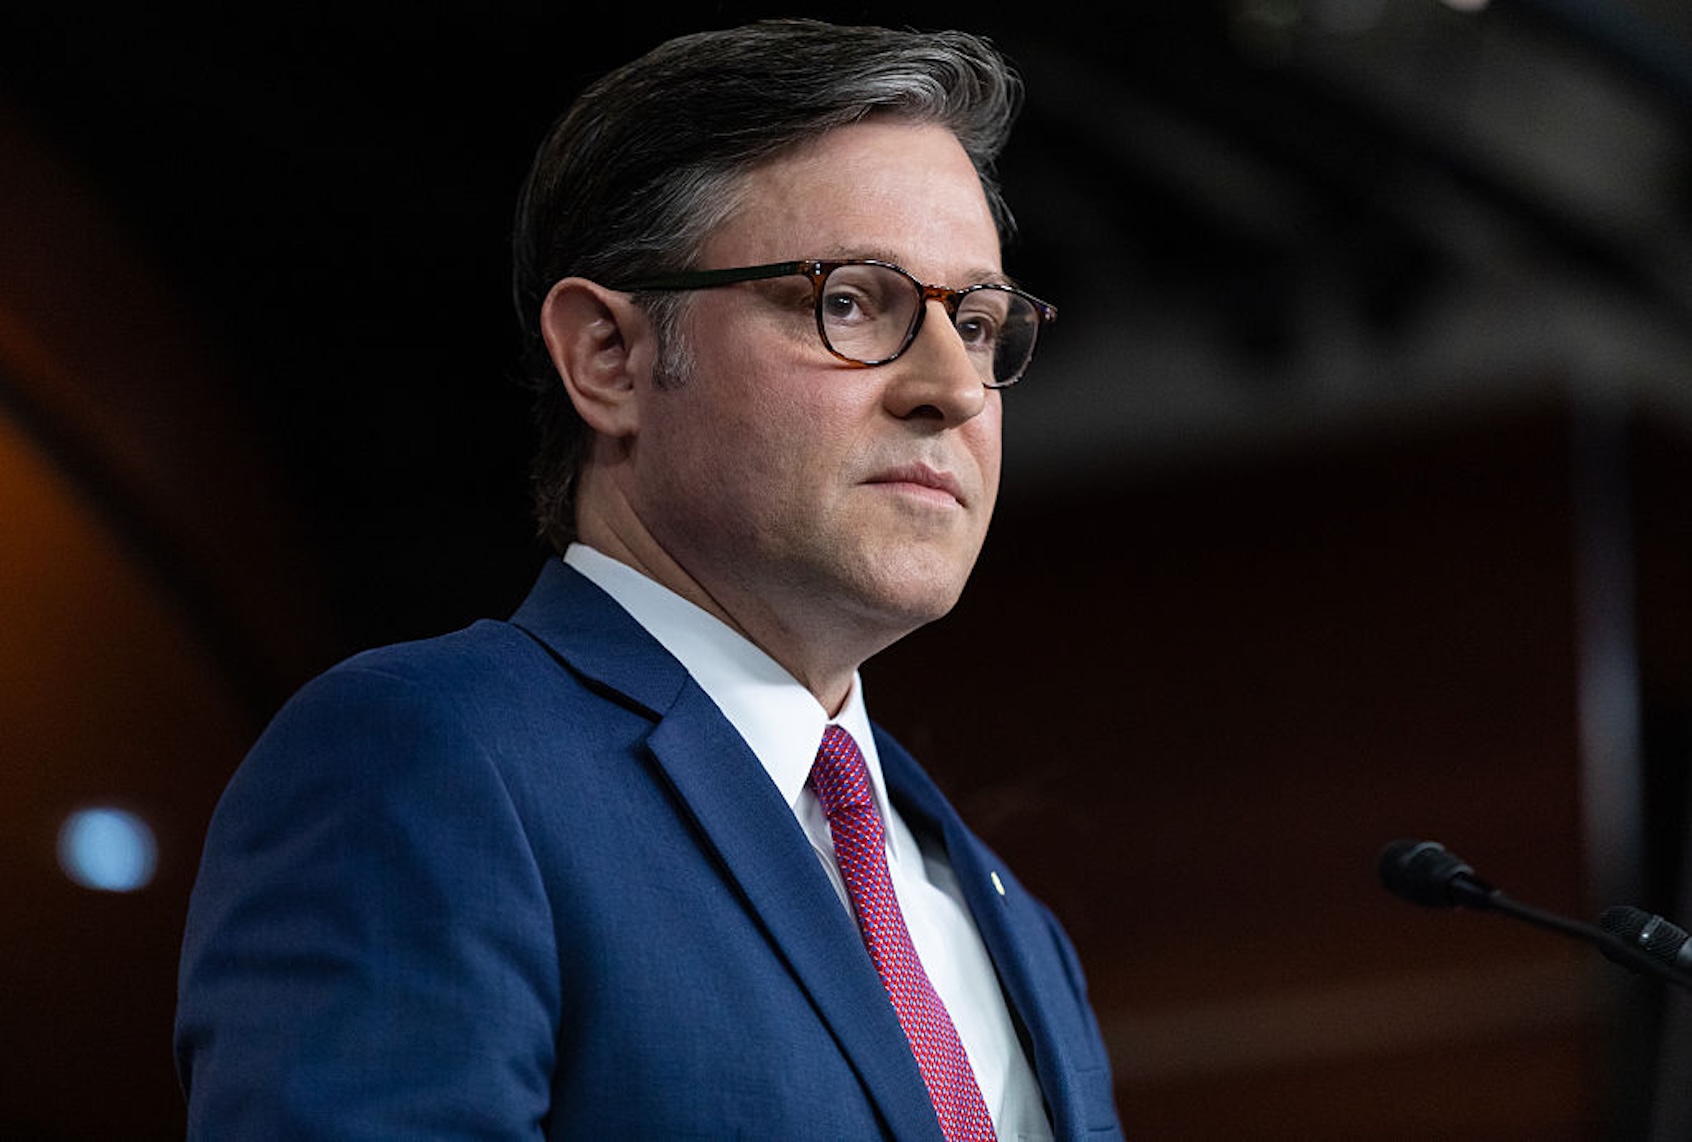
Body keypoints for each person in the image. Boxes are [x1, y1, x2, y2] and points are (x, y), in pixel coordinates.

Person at [174, 18, 1122, 1140]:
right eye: (850, 301)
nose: (954, 388)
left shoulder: (1011, 924)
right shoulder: (424, 763)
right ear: (609, 357)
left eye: (976, 322)